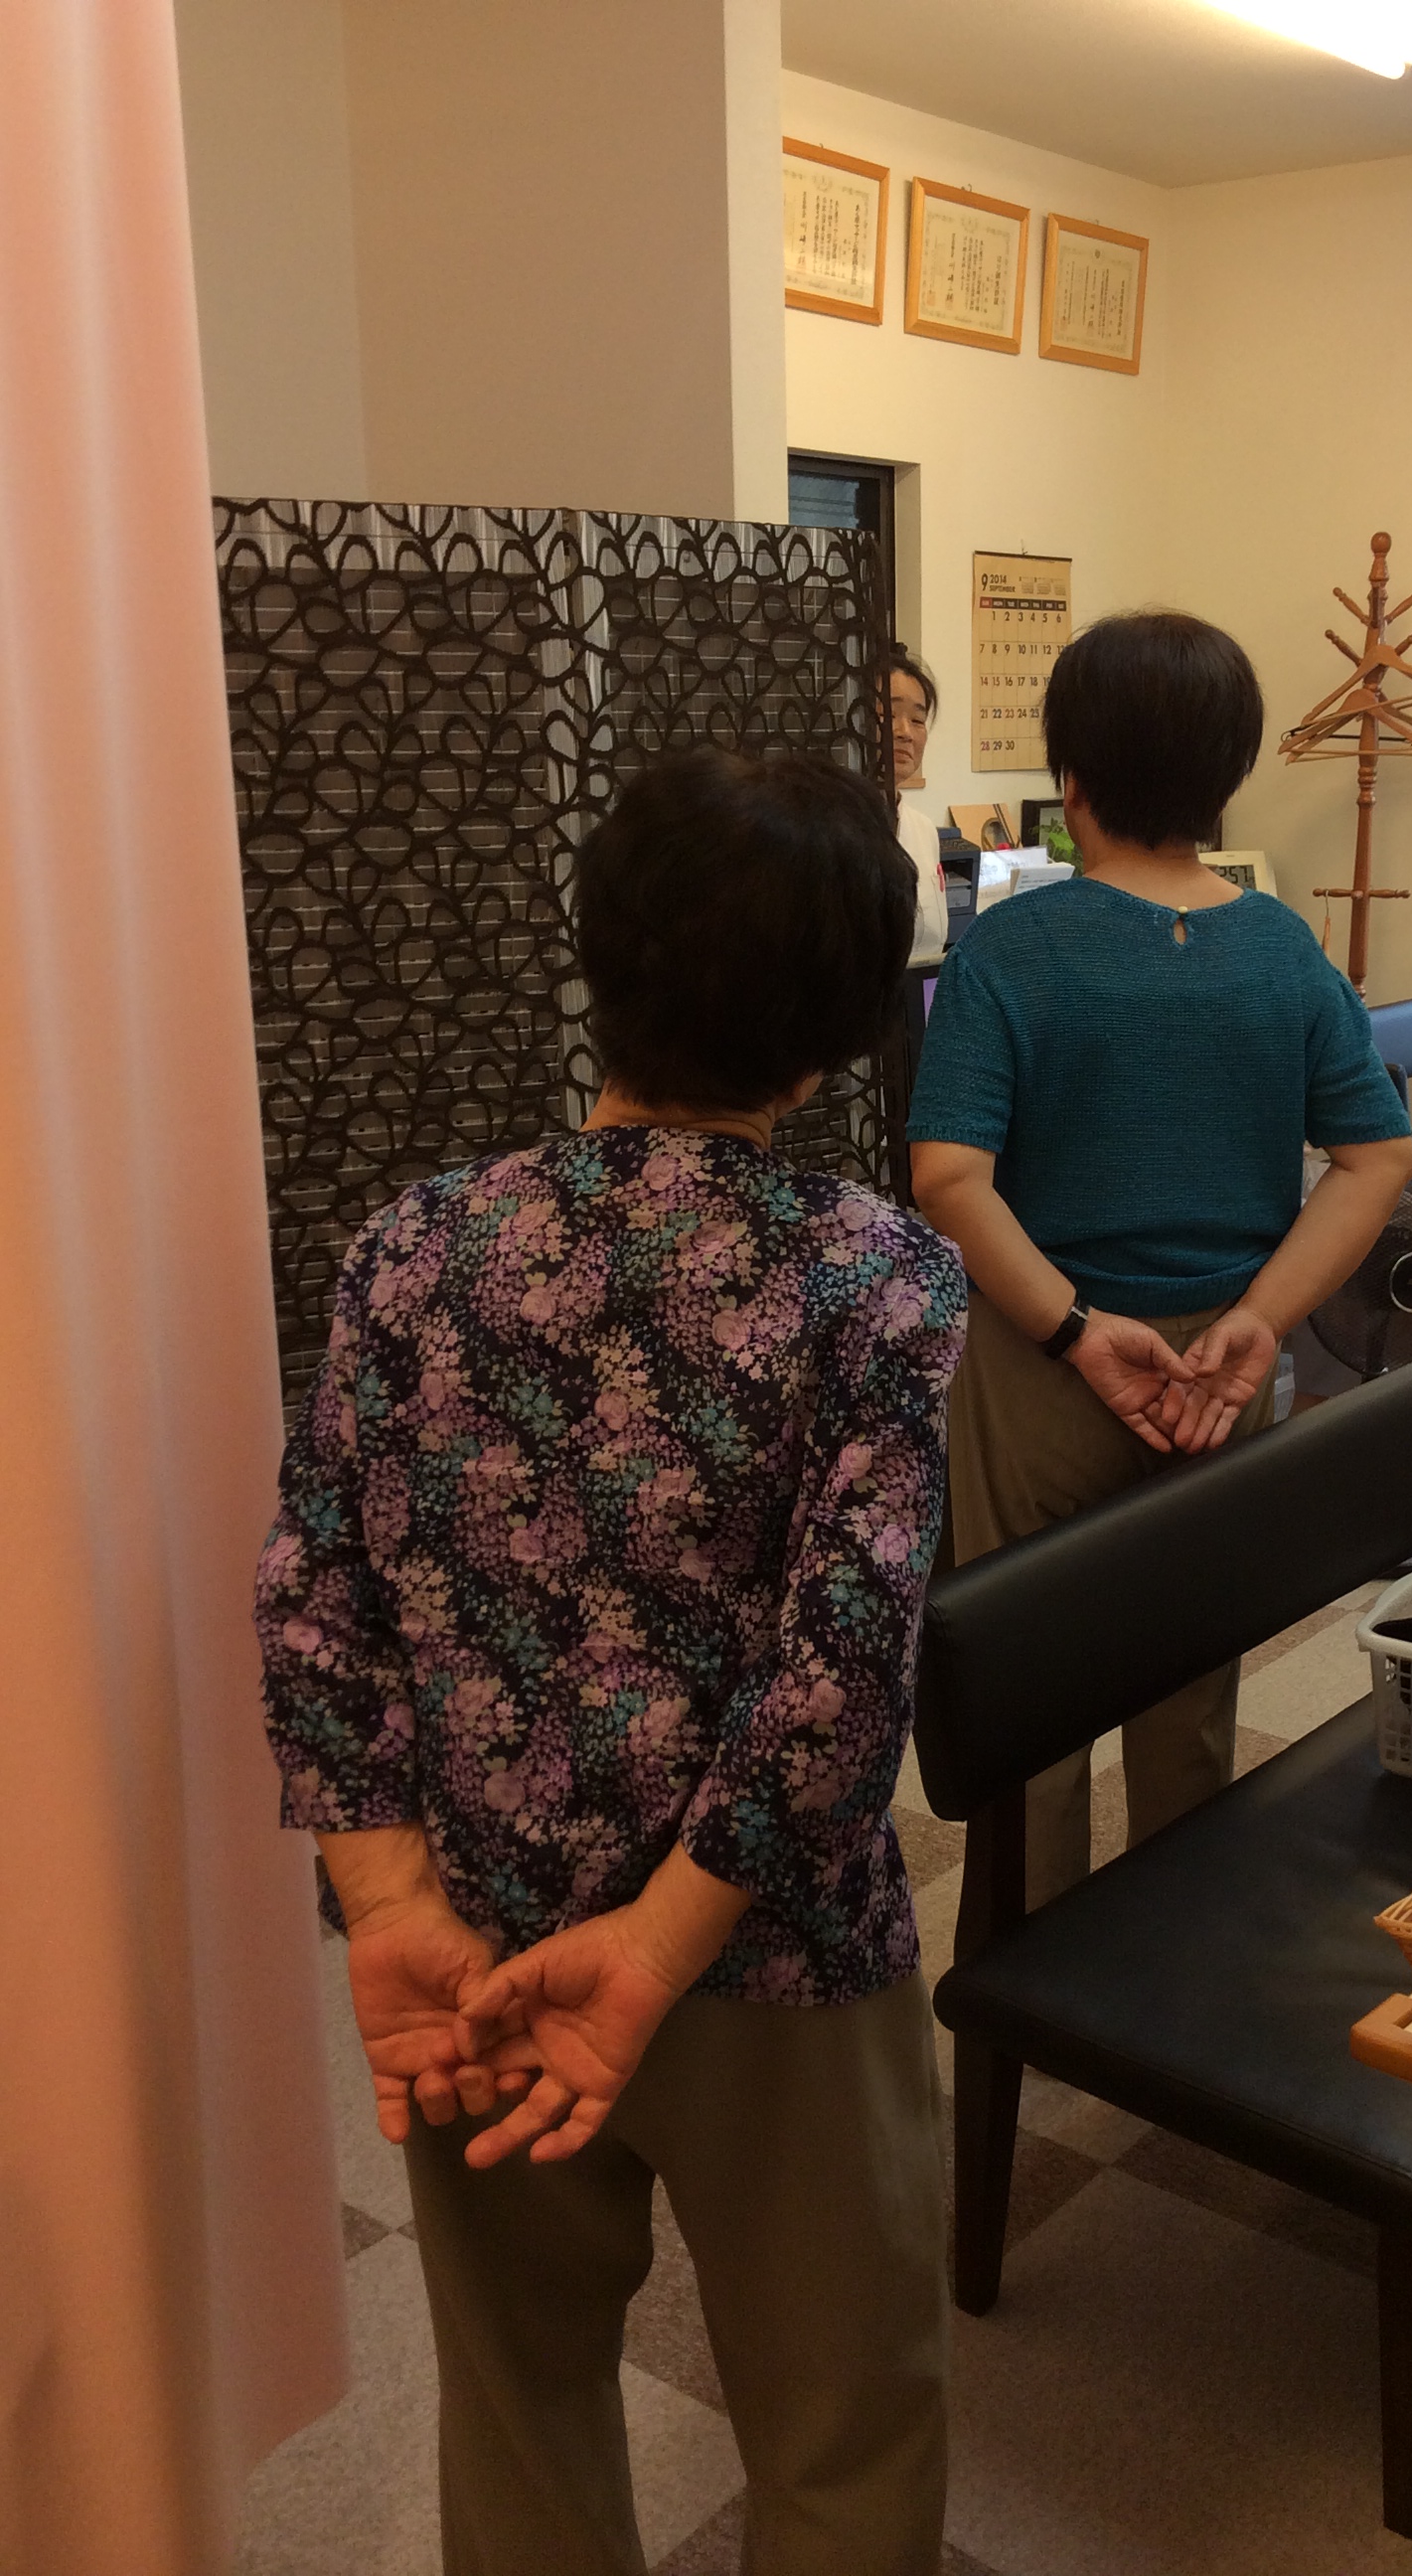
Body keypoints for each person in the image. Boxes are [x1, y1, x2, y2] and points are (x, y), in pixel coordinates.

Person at [255, 748, 967, 2576]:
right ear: (840, 1032)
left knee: (520, 2405)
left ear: (598, 953)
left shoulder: (412, 1248)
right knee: (844, 2428)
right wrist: (652, 1951)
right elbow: (839, 1681)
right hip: (774, 1951)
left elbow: (314, 1605)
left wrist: (387, 1899)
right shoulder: (875, 1274)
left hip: (476, 1949)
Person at [908, 611, 1412, 1907]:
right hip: (1221, 1370)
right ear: (1226, 778)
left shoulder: (1011, 951)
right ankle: (1170, 1969)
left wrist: (1076, 1332)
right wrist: (1259, 1320)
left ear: (1069, 779)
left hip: (1040, 1360)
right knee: (1191, 1691)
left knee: (1034, 1696)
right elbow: (1376, 1159)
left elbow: (948, 1179)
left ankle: (1029, 1975)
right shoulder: (1281, 947)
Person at [889, 643, 949, 967]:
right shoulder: (830, 827)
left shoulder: (923, 830)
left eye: (917, 719)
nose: (905, 732)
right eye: (887, 715)